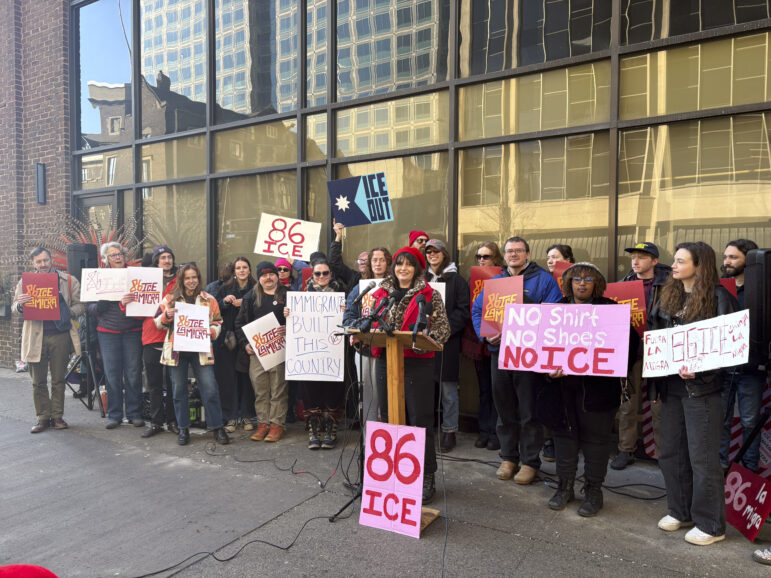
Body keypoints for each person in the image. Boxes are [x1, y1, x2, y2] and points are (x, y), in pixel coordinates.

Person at [649, 241, 738, 546]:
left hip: (702, 389)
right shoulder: (667, 295)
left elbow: (731, 347)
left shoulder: (719, 298)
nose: (673, 266)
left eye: (680, 261)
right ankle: (680, 510)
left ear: (699, 266)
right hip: (670, 386)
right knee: (671, 452)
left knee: (702, 458)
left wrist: (702, 369)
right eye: (674, 261)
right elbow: (655, 335)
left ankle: (712, 525)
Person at [539, 263, 639, 516]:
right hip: (561, 390)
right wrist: (547, 370)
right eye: (577, 279)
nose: (582, 283)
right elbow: (539, 348)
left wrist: (610, 365)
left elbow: (630, 346)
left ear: (597, 284)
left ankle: (594, 491)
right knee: (564, 439)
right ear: (569, 283)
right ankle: (564, 487)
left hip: (598, 392)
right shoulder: (554, 311)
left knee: (597, 442)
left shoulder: (611, 311)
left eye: (588, 279)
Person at [472, 236, 563, 485]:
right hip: (499, 354)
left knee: (528, 411)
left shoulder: (543, 280)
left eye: (518, 251)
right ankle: (508, 457)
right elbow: (478, 310)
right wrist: (486, 334)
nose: (513, 254)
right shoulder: (496, 282)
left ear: (527, 254)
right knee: (504, 409)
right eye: (509, 251)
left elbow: (555, 312)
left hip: (528, 356)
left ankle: (530, 462)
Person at [371, 247, 451, 503]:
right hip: (387, 361)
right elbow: (374, 323)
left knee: (419, 420)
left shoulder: (429, 295)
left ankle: (426, 474)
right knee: (389, 417)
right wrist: (364, 337)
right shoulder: (382, 293)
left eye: (408, 264)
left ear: (417, 268)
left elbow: (443, 330)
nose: (402, 268)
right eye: (399, 264)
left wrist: (422, 341)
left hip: (417, 365)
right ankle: (392, 474)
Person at [156, 263, 230, 446]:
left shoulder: (208, 299)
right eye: (187, 278)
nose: (191, 281)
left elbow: (218, 321)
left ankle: (217, 427)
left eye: (194, 277)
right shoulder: (170, 299)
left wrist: (212, 332)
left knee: (210, 388)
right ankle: (183, 428)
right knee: (179, 390)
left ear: (199, 279)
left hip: (201, 349)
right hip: (177, 351)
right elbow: (157, 322)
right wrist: (167, 315)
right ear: (182, 280)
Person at [612, 241, 670, 470]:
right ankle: (626, 450)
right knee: (627, 403)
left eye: (642, 257)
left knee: (659, 405)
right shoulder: (624, 284)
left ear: (654, 261)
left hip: (659, 351)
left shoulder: (668, 284)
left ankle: (664, 454)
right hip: (631, 351)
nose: (635, 261)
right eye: (633, 257)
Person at [13, 247, 84, 433]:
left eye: (45, 260)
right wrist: (20, 305)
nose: (43, 264)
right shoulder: (25, 282)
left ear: (51, 259)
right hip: (35, 335)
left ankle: (57, 416)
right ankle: (43, 417)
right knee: (38, 380)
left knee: (59, 378)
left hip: (60, 335)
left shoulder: (67, 280)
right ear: (33, 263)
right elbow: (15, 306)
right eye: (38, 261)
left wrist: (68, 311)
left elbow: (80, 305)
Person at [288, 260, 347, 449]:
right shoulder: (302, 297)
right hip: (309, 355)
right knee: (310, 391)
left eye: (325, 273)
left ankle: (331, 428)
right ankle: (314, 429)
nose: (321, 277)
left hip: (332, 353)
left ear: (331, 274)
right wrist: (288, 313)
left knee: (333, 391)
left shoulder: (341, 295)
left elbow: (351, 321)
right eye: (317, 274)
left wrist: (346, 312)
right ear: (311, 276)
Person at [720, 239, 763, 472]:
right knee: (722, 421)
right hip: (722, 367)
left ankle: (749, 471)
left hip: (751, 367)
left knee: (750, 422)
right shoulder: (719, 290)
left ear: (749, 260)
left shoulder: (762, 290)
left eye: (733, 257)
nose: (727, 262)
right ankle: (721, 470)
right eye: (726, 257)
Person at [92, 242, 145, 430]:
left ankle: (134, 413)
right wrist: (99, 305)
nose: (117, 257)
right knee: (112, 374)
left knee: (133, 373)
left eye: (120, 254)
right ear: (106, 259)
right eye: (113, 255)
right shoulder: (99, 277)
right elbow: (88, 306)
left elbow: (146, 297)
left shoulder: (135, 275)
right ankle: (114, 415)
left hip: (132, 330)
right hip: (107, 332)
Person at [342, 238, 393, 428]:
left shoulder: (395, 288)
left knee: (387, 396)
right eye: (374, 260)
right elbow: (348, 317)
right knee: (368, 396)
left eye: (381, 259)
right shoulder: (360, 288)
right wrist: (358, 332)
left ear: (388, 263)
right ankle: (369, 438)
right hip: (364, 350)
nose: (378, 263)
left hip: (389, 351)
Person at [424, 239, 470, 452]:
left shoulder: (457, 281)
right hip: (423, 342)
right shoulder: (421, 279)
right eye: (429, 252)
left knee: (448, 390)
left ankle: (449, 430)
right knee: (425, 389)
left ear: (444, 254)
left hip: (447, 342)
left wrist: (443, 330)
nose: (432, 255)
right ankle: (426, 430)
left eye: (436, 251)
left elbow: (463, 311)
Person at [235, 262, 288, 443]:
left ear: (276, 276)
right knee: (260, 389)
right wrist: (245, 344)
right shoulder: (251, 297)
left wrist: (288, 326)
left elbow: (299, 320)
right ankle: (263, 424)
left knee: (278, 389)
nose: (268, 278)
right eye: (264, 275)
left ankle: (276, 424)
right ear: (259, 277)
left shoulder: (287, 296)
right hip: (258, 351)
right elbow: (239, 323)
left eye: (271, 274)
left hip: (279, 349)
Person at [465, 242, 504, 451]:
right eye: (479, 256)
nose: (482, 260)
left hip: (499, 343)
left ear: (496, 258)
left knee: (499, 391)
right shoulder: (473, 279)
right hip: (480, 343)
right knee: (484, 391)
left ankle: (497, 434)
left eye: (486, 256)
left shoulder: (506, 279)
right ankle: (484, 431)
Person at [140, 245, 179, 438]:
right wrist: (125, 303)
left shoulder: (181, 280)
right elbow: (134, 310)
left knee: (174, 383)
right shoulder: (145, 280)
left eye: (169, 257)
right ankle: (156, 422)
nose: (166, 260)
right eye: (162, 257)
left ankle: (173, 421)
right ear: (156, 260)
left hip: (174, 337)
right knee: (153, 383)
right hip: (151, 336)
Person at [216, 257, 257, 433]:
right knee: (229, 380)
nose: (241, 270)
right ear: (233, 271)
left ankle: (247, 415)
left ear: (249, 270)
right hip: (228, 341)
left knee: (247, 379)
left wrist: (246, 304)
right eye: (238, 268)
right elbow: (214, 311)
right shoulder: (224, 288)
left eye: (245, 267)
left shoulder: (256, 289)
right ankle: (231, 417)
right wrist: (225, 302)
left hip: (249, 340)